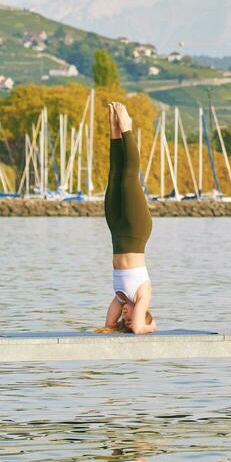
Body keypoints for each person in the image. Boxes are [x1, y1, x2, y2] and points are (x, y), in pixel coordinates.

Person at [102, 100, 156, 334]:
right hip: (136, 230)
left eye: (123, 317)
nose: (124, 315)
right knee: (129, 177)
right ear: (142, 314)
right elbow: (137, 329)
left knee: (114, 176)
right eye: (129, 316)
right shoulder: (143, 293)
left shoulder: (120, 296)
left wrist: (117, 325)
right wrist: (150, 325)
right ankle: (127, 128)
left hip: (116, 231)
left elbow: (109, 325)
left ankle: (114, 129)